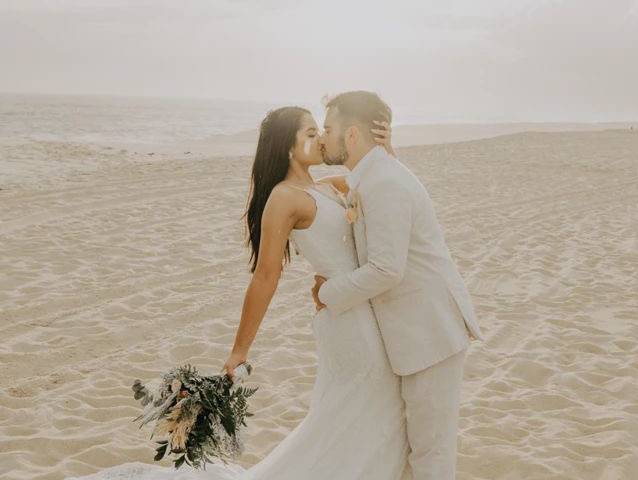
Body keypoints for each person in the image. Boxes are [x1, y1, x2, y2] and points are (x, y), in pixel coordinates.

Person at [66, 106, 410, 480]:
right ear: (288, 148)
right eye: (310, 133)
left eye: (320, 130)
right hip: (347, 323)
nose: (322, 138)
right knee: (358, 412)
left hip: (360, 305)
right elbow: (265, 277)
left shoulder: (330, 186)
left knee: (362, 414)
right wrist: (239, 350)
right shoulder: (284, 198)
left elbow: (388, 188)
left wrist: (387, 148)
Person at [313, 91, 483, 479]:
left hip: (429, 335)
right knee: (416, 450)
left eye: (328, 128)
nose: (323, 138)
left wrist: (327, 293)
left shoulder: (384, 182)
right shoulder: (375, 174)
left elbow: (387, 269)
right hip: (416, 334)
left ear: (352, 135)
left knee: (430, 454)